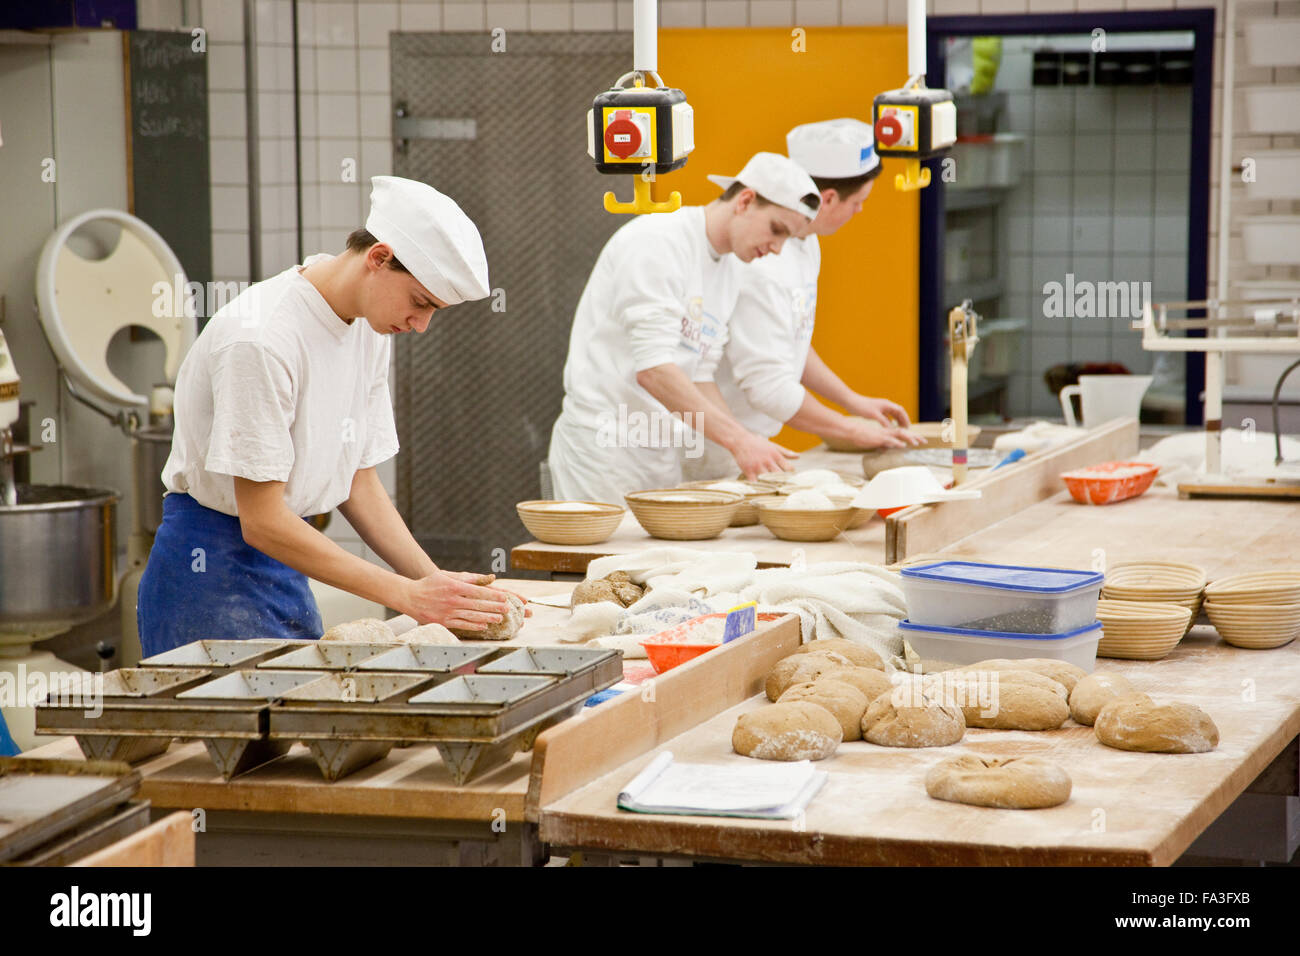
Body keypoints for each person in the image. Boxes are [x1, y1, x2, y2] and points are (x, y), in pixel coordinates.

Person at [138, 176, 520, 656]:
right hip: (209, 570)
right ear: (377, 258)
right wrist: (405, 596)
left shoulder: (366, 328)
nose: (421, 325)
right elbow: (261, 521)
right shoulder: (262, 338)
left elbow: (359, 481)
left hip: (284, 562)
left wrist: (435, 583)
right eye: (421, 303)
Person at [547, 152, 820, 504]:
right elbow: (654, 370)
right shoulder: (658, 243)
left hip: (662, 452)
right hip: (604, 453)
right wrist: (740, 440)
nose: (777, 249)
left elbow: (700, 375)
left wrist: (737, 451)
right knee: (606, 560)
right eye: (776, 230)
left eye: (789, 240)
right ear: (745, 200)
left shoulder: (730, 269)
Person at [686, 119, 924, 481]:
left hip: (749, 441)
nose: (860, 212)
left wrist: (851, 401)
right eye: (858, 202)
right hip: (713, 442)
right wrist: (849, 429)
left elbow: (792, 340)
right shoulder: (759, 257)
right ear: (828, 199)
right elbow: (767, 385)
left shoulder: (804, 242)